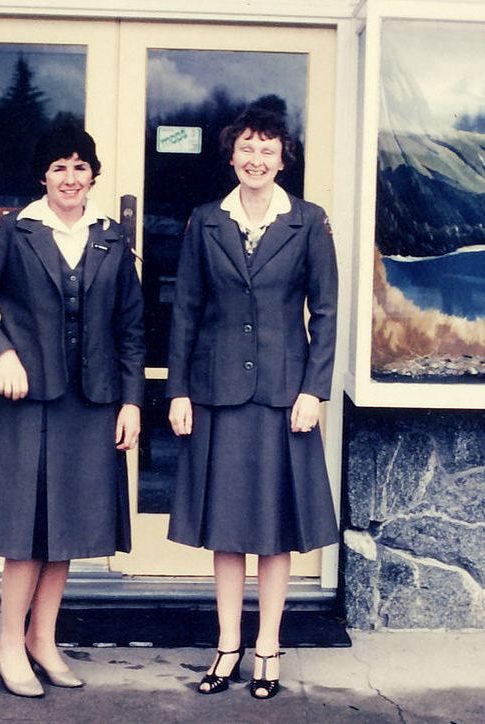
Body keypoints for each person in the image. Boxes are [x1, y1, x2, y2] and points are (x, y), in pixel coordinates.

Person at [0, 123, 145, 698]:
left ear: (93, 176)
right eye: (59, 167)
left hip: (93, 403)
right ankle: (10, 641)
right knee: (27, 528)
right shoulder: (15, 231)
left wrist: (131, 403)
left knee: (68, 528)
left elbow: (131, 331)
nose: (70, 177)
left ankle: (43, 639)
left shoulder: (111, 239)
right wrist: (2, 352)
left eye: (80, 167)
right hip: (31, 400)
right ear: (43, 175)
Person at [166, 101, 339, 701]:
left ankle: (268, 644)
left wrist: (314, 390)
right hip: (216, 394)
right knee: (226, 528)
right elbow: (185, 310)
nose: (257, 159)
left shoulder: (309, 221)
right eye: (247, 149)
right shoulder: (205, 220)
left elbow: (328, 312)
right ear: (232, 156)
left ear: (283, 158)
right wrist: (179, 389)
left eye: (268, 149)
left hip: (282, 396)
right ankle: (227, 645)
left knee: (274, 529)